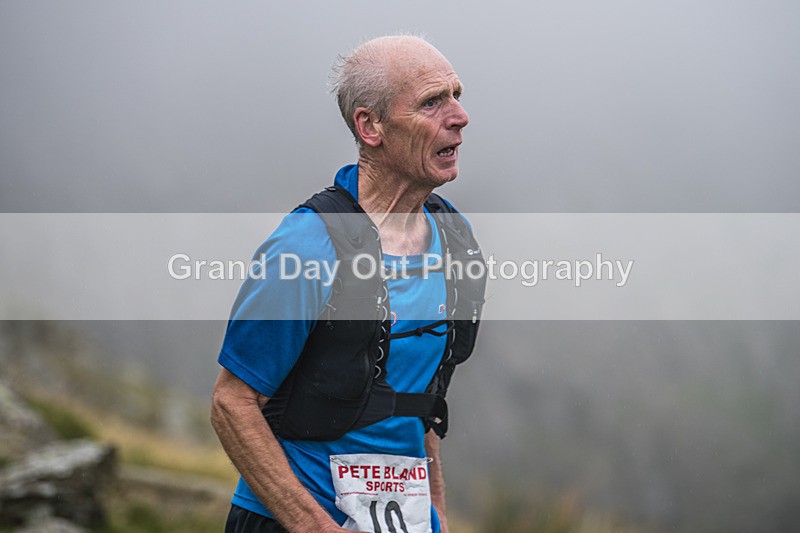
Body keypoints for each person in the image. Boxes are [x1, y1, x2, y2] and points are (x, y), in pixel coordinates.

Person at [211, 35, 484, 533]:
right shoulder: (307, 245)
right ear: (370, 126)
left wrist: (437, 515)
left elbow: (419, 402)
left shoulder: (455, 239)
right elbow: (232, 404)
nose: (460, 117)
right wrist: (315, 527)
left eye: (457, 96)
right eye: (431, 102)